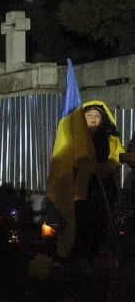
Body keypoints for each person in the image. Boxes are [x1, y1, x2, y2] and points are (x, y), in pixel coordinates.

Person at [47, 100, 124, 258]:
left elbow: (116, 157)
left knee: (101, 223)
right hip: (79, 190)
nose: (93, 118)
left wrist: (105, 166)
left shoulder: (109, 137)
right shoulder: (74, 138)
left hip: (102, 187)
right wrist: (84, 163)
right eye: (89, 115)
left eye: (97, 115)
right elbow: (65, 159)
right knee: (80, 223)